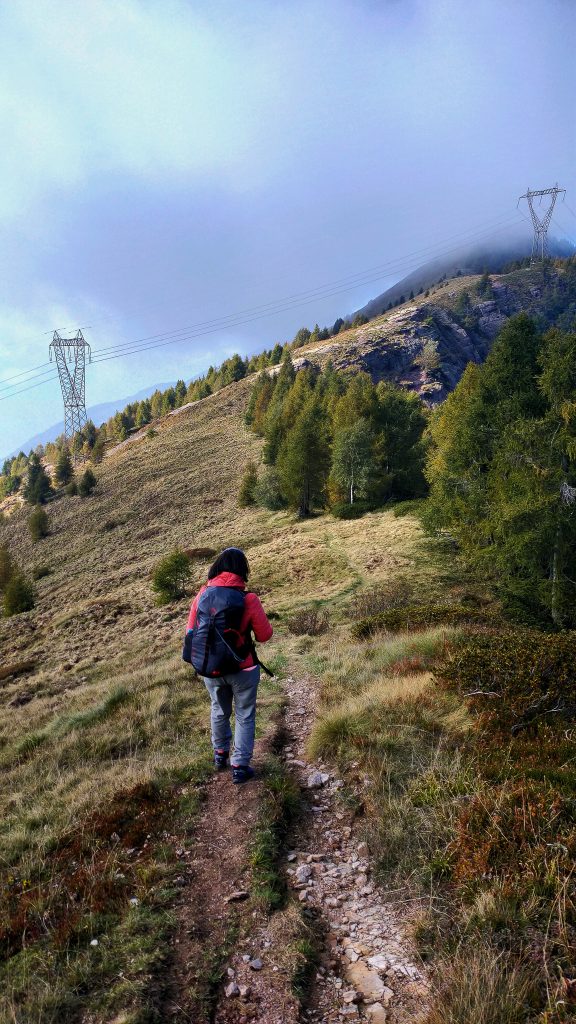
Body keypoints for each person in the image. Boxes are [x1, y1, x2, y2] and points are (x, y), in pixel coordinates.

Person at [186, 547, 273, 784]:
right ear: (242, 570)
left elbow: (191, 632)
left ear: (216, 567)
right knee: (244, 715)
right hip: (243, 668)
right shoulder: (248, 599)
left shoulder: (202, 594)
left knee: (219, 710)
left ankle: (220, 754)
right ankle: (240, 766)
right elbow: (264, 636)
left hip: (210, 668)